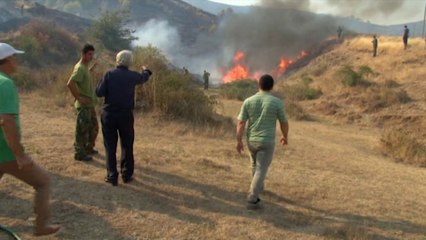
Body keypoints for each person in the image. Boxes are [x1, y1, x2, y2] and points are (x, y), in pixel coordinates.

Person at [0, 43, 60, 236]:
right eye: (14, 58)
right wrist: (20, 155)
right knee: (43, 182)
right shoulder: (5, 84)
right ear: (6, 61)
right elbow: (6, 122)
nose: (16, 61)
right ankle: (41, 227)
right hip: (6, 152)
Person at [96, 50, 152, 186]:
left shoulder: (109, 74)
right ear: (130, 62)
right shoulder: (132, 76)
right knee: (127, 144)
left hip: (109, 114)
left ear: (117, 60)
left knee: (110, 145)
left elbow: (99, 92)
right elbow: (144, 78)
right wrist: (146, 70)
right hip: (125, 115)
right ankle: (126, 174)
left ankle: (111, 176)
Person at [236, 74, 289, 210]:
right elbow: (284, 122)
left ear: (258, 85)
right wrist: (285, 136)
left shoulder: (248, 101)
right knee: (261, 169)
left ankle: (259, 188)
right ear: (271, 87)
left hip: (251, 140)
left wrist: (239, 140)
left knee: (254, 165)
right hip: (266, 141)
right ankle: (252, 199)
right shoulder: (277, 102)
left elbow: (241, 122)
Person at [67, 44, 99, 161]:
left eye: (92, 54)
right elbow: (70, 83)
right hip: (84, 105)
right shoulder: (80, 68)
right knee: (82, 130)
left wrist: (91, 69)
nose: (91, 57)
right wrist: (79, 97)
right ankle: (79, 153)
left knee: (94, 128)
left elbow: (83, 78)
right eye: (89, 54)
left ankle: (88, 148)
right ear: (83, 54)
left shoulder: (85, 67)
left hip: (90, 105)